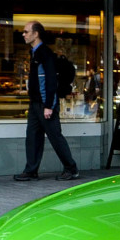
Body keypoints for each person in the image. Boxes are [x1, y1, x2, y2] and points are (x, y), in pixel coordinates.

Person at [14, 21, 79, 181]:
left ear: (36, 34)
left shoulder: (45, 54)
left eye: (26, 31)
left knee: (55, 136)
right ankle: (31, 170)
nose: (23, 34)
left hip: (45, 104)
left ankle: (71, 169)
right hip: (36, 103)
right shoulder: (35, 53)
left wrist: (48, 105)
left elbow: (49, 81)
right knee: (33, 136)